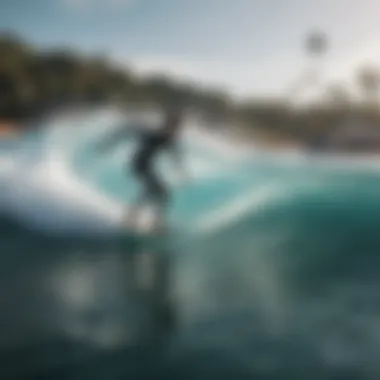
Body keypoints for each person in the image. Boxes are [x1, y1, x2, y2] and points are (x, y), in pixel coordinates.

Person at [95, 106, 188, 232]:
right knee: (160, 192)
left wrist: (181, 171)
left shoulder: (168, 138)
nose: (177, 130)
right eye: (175, 125)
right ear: (168, 123)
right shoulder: (153, 133)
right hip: (139, 165)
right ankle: (144, 222)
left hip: (145, 166)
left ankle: (138, 220)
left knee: (158, 193)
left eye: (178, 127)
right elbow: (128, 132)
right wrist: (107, 144)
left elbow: (174, 155)